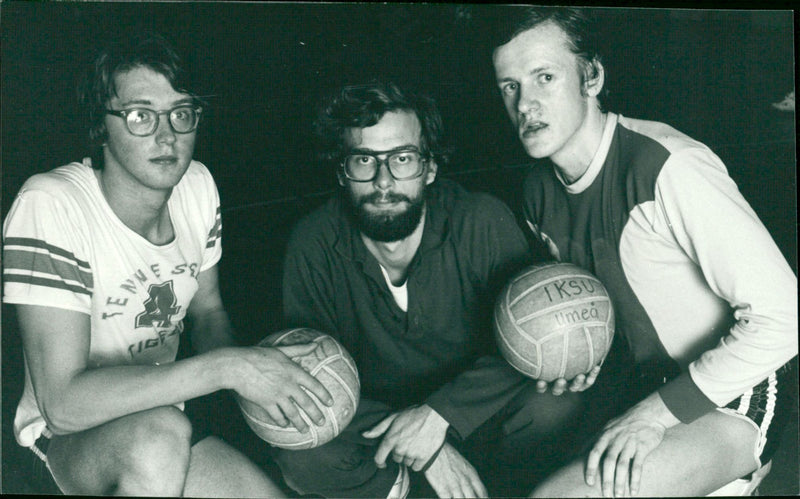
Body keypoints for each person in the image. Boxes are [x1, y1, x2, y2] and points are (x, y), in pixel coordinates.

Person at [2, 33, 335, 497]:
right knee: (159, 438)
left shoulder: (197, 186)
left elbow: (209, 311)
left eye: (181, 113)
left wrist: (261, 373)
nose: (166, 135)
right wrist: (230, 368)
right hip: (69, 439)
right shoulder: (53, 204)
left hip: (166, 419)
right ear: (102, 125)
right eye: (140, 115)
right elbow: (61, 405)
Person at [490, 6, 798, 497]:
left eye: (544, 77)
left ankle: (733, 476)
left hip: (734, 392)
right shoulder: (536, 192)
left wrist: (653, 416)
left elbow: (787, 317)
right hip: (639, 385)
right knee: (518, 433)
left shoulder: (669, 166)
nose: (525, 103)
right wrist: (577, 351)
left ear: (591, 76)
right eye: (510, 86)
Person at [273, 81, 581, 498]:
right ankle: (406, 487)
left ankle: (499, 487)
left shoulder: (480, 220)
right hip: (378, 430)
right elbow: (307, 377)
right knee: (299, 449)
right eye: (364, 160)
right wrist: (428, 449)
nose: (384, 181)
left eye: (402, 158)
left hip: (477, 413)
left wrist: (440, 416)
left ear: (430, 168)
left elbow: (534, 342)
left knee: (555, 404)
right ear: (342, 172)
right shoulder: (313, 242)